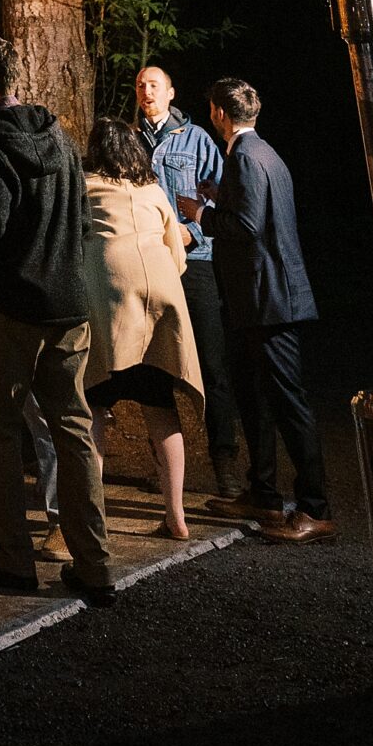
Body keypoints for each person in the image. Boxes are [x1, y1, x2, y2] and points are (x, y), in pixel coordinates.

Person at [0, 36, 115, 605]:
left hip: (12, 305)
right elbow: (79, 215)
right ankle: (96, 564)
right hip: (67, 300)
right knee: (74, 428)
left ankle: (12, 557)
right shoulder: (58, 135)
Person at [183, 77, 332, 543]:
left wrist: (199, 213)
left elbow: (247, 227)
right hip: (259, 298)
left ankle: (316, 508)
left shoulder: (244, 156)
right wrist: (219, 193)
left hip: (268, 298)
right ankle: (262, 492)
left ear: (219, 114)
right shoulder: (264, 152)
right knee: (253, 395)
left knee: (288, 402)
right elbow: (259, 211)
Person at [82, 116, 204, 539]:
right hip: (160, 301)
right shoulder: (152, 189)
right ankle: (177, 515)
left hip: (112, 301)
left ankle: (93, 516)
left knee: (94, 403)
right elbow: (179, 255)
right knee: (159, 404)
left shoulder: (86, 187)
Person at [134, 61, 245, 497]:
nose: (147, 91)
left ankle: (226, 466)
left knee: (212, 365)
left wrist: (194, 229)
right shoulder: (129, 141)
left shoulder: (197, 140)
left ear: (171, 92)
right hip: (149, 263)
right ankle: (165, 468)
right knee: (152, 364)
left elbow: (223, 197)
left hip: (195, 261)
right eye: (141, 85)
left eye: (155, 85)